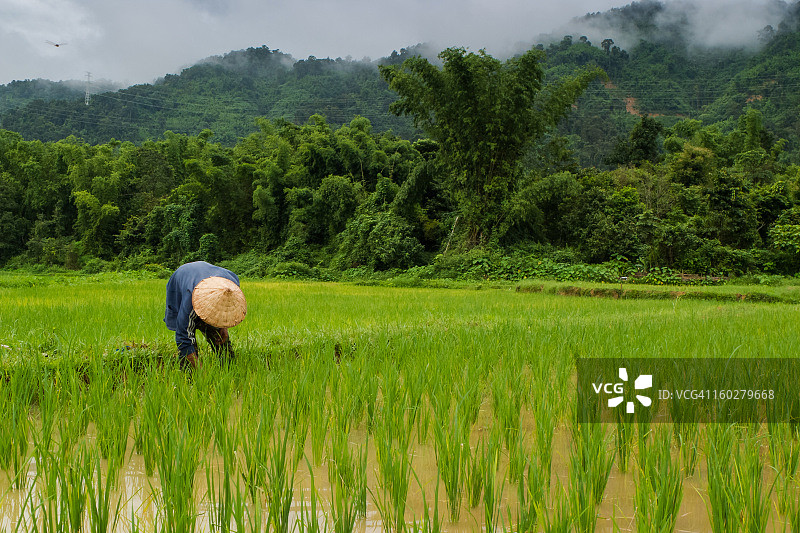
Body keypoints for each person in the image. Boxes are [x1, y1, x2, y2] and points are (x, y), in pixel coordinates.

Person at [164, 261, 246, 369]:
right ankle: (190, 376)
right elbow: (183, 338)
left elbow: (223, 309)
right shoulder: (190, 304)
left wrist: (223, 327)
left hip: (205, 277)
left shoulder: (231, 285)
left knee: (221, 340)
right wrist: (200, 371)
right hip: (182, 279)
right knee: (188, 347)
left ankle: (229, 369)